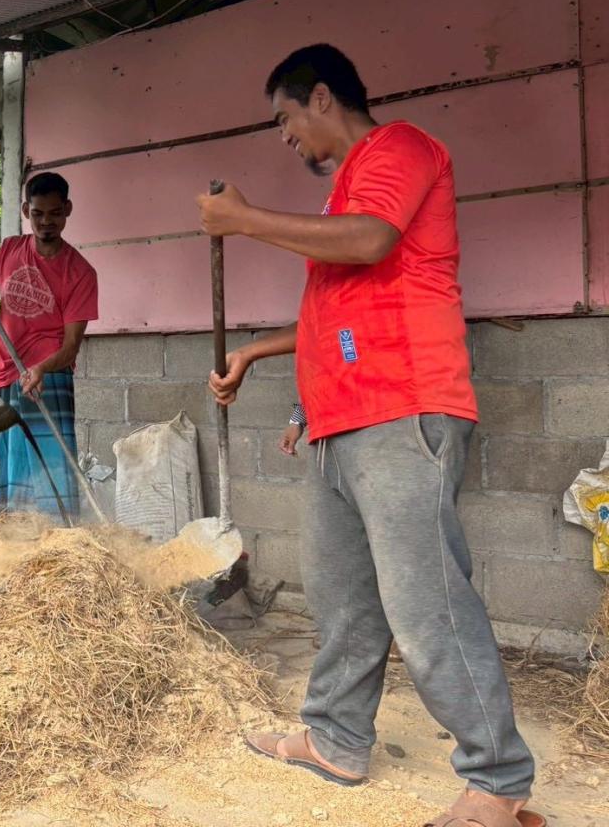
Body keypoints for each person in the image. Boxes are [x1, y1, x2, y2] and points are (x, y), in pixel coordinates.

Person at [196, 44, 542, 827]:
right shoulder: (344, 195)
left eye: (285, 118)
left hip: (402, 410)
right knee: (343, 597)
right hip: (340, 422)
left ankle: (498, 779)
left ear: (322, 97)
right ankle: (335, 738)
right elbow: (339, 310)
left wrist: (245, 220)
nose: (286, 136)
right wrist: (256, 353)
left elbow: (371, 242)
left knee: (426, 603)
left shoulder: (401, 149)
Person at [0, 173, 98, 519]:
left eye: (55, 213)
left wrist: (41, 368)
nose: (46, 223)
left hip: (48, 377)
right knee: (13, 472)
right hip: (6, 374)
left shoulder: (80, 272)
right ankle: (14, 538)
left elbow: (71, 347)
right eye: (38, 214)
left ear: (67, 209)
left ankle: (59, 536)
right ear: (26, 210)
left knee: (52, 471)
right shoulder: (9, 250)